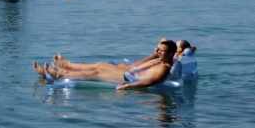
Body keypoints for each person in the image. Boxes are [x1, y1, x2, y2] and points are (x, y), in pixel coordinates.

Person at [34, 39, 179, 90]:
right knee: (101, 65)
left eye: (162, 51)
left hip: (127, 79)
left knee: (96, 72)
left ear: (171, 53)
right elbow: (165, 43)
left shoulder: (164, 68)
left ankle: (60, 73)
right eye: (158, 50)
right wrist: (157, 51)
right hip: (130, 73)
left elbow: (150, 82)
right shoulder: (162, 60)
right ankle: (65, 65)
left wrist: (127, 86)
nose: (159, 52)